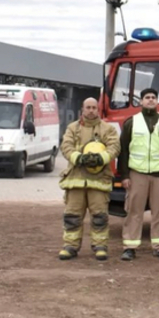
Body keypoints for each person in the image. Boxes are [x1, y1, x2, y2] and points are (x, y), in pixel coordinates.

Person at [118, 88, 159, 261]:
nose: (150, 100)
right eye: (147, 97)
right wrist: (124, 176)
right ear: (141, 101)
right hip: (137, 173)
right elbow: (123, 151)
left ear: (157, 101)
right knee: (134, 211)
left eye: (154, 97)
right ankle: (130, 247)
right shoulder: (131, 122)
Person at [58, 98, 120, 261]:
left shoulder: (108, 129)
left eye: (94, 107)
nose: (91, 110)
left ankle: (100, 246)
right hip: (76, 179)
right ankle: (70, 246)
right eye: (88, 107)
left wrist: (102, 158)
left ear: (98, 109)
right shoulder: (73, 128)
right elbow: (66, 146)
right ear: (83, 109)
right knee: (72, 216)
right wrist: (79, 158)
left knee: (100, 216)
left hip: (98, 181)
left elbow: (115, 147)